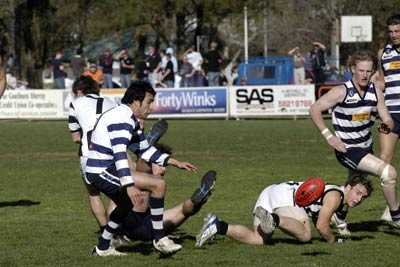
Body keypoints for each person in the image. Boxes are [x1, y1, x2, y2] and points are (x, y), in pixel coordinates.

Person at [86, 81, 197, 256]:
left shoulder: (128, 117)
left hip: (103, 169)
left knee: (125, 205)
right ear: (136, 101)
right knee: (158, 185)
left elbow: (144, 150)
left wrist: (174, 162)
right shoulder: (122, 118)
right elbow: (119, 153)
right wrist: (129, 185)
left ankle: (103, 247)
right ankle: (159, 238)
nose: (151, 108)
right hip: (100, 170)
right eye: (149, 102)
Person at [309, 50, 400, 227]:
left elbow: (386, 118)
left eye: (368, 71)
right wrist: (329, 137)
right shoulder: (341, 92)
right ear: (352, 69)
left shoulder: (376, 92)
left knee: (355, 185)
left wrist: (385, 125)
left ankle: (337, 215)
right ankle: (396, 216)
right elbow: (314, 109)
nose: (365, 75)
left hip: (365, 148)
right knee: (389, 173)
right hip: (347, 150)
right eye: (361, 70)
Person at [196, 175, 372, 247]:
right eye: (357, 193)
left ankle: (218, 226)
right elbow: (322, 225)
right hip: (286, 197)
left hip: (269, 193)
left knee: (258, 239)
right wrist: (334, 242)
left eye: (363, 197)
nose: (358, 199)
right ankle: (274, 219)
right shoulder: (336, 196)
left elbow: (338, 221)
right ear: (348, 186)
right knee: (305, 235)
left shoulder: (342, 202)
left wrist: (343, 231)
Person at [68, 75, 116, 232]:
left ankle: (104, 230)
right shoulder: (112, 102)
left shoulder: (75, 104)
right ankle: (114, 229)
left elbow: (75, 138)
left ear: (79, 90)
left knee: (94, 194)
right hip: (113, 153)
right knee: (117, 194)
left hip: (88, 154)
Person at [376, 14, 400, 222]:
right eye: (391, 31)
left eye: (397, 31)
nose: (393, 35)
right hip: (390, 115)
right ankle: (391, 208)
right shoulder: (383, 53)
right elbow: (382, 81)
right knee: (383, 161)